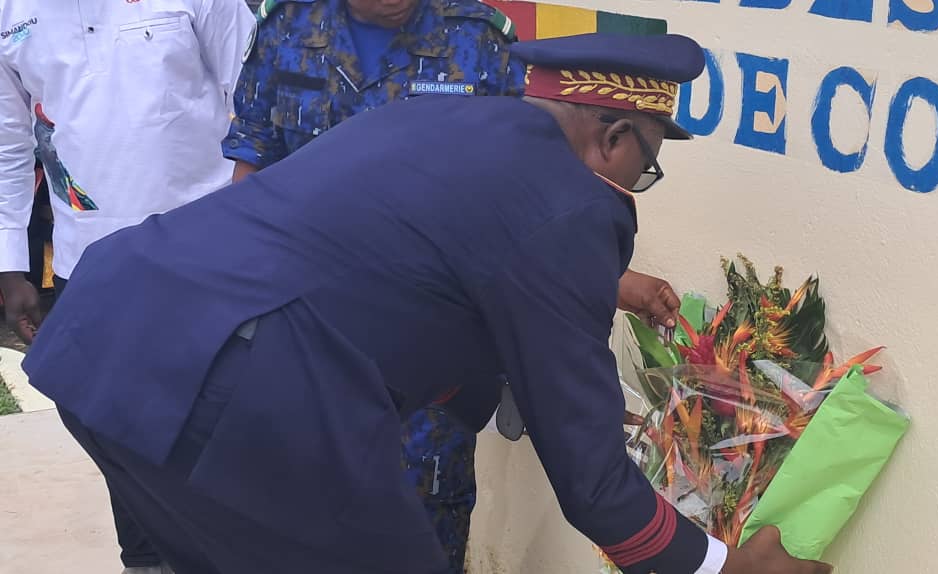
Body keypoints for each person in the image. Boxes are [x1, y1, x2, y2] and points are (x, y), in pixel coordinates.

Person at [24, 32, 831, 574]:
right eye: (647, 167)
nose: (637, 184)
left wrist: (554, 380)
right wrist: (720, 565)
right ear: (615, 136)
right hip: (243, 389)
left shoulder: (439, 123)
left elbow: (416, 277)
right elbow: (590, 483)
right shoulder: (576, 205)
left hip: (105, 337)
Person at [223, 1, 683, 570]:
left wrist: (610, 282)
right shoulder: (285, 25)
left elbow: (520, 199)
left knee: (422, 541)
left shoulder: (479, 38)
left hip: (430, 380)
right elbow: (250, 177)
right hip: (303, 351)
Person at [0, 2, 256, 572]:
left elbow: (254, 101)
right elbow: (7, 141)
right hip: (87, 262)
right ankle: (145, 560)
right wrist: (10, 265)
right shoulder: (11, 11)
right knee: (115, 427)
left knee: (223, 424)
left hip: (208, 251)